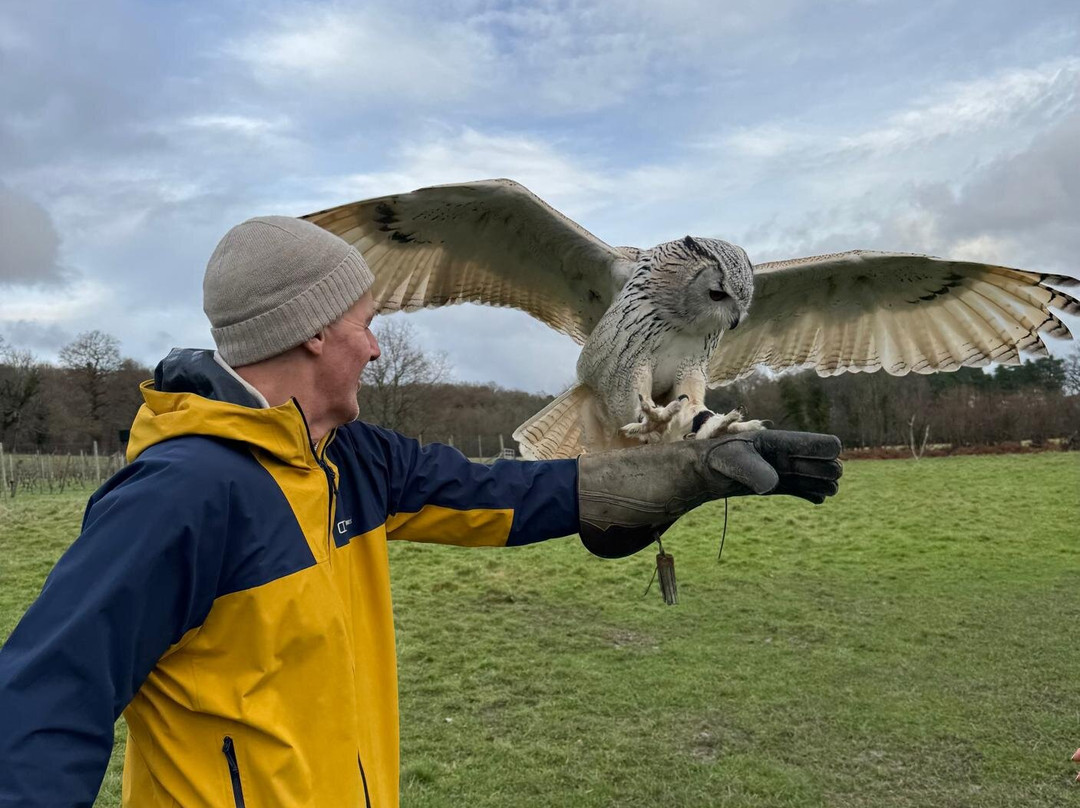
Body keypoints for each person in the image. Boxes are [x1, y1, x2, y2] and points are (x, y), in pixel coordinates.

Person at [0, 216, 842, 807]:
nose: (376, 345)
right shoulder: (182, 492)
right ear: (314, 335)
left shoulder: (351, 458)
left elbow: (499, 494)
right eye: (365, 325)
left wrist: (684, 474)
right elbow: (42, 704)